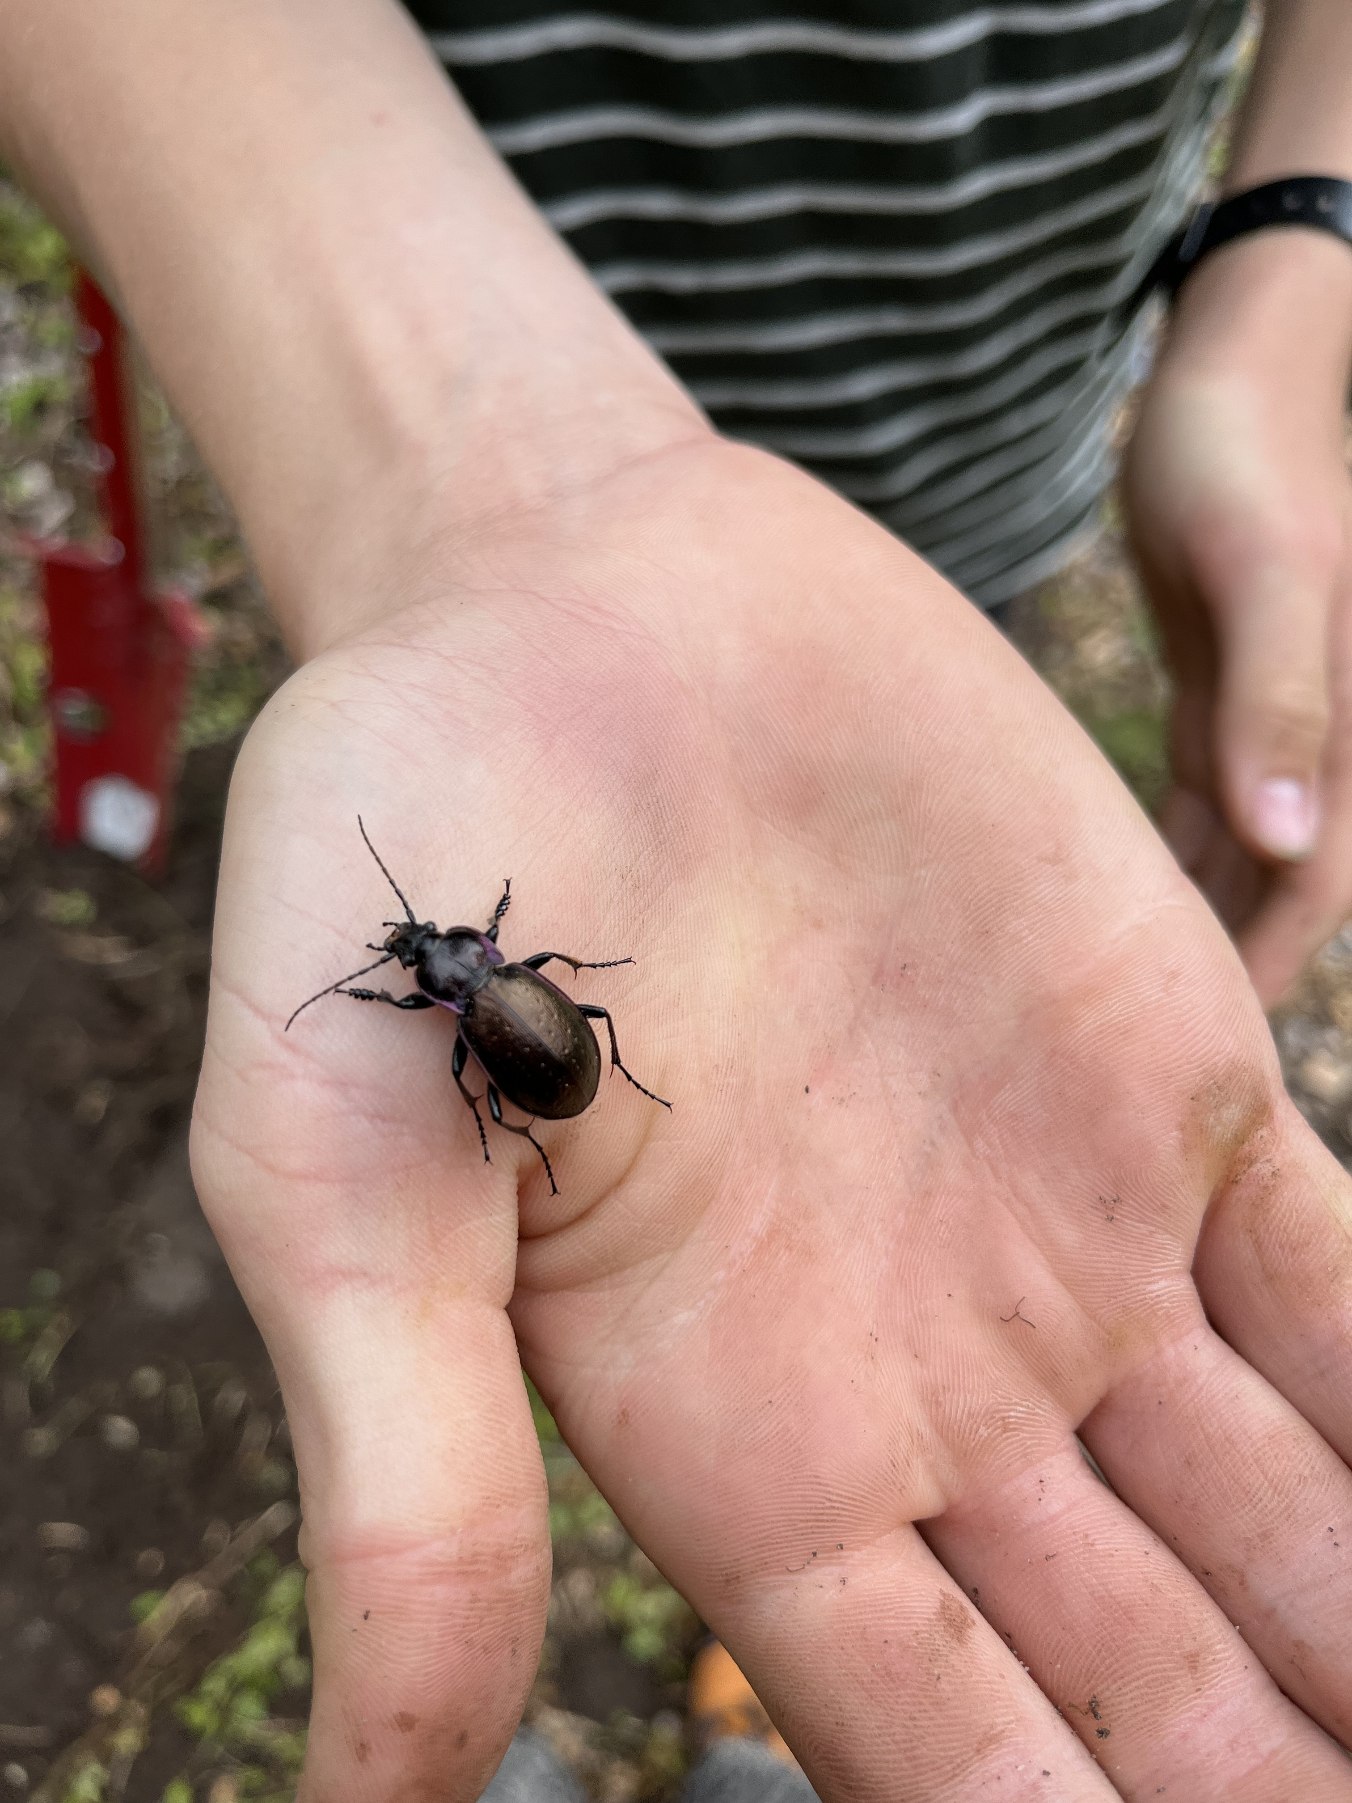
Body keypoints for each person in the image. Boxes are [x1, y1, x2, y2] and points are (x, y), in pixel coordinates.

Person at [2, 3, 1350, 1799]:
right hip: (479, 330)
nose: (431, 958)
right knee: (547, 1062)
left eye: (433, 950)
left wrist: (1287, 252)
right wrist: (491, 505)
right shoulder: (490, 986)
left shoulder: (475, 997)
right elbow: (526, 1020)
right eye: (432, 956)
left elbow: (516, 1024)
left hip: (1001, 431)